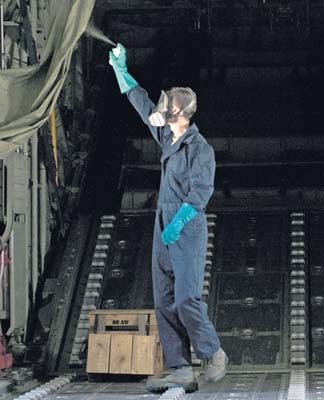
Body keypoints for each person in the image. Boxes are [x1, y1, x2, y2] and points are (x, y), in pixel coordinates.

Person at [108, 43, 228, 393]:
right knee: (163, 299)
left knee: (186, 298)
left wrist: (177, 224)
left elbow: (200, 193)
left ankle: (213, 352)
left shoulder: (199, 149)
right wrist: (121, 69)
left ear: (181, 113)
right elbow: (142, 104)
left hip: (187, 228)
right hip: (164, 226)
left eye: (168, 106)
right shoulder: (167, 139)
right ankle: (179, 367)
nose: (162, 108)